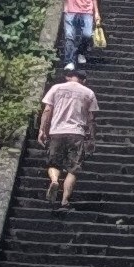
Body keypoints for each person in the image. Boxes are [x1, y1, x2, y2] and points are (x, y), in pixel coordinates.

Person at [37, 69, 97, 208]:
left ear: (68, 77)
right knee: (73, 169)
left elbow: (47, 111)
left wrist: (42, 130)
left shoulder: (56, 88)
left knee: (54, 163)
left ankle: (54, 180)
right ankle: (64, 200)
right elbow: (91, 119)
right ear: (84, 80)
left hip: (57, 132)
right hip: (77, 133)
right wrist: (92, 139)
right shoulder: (89, 93)